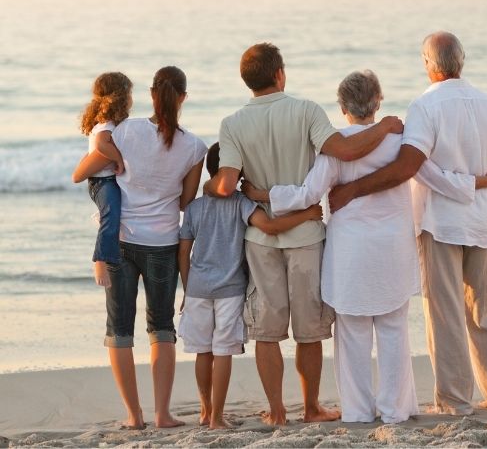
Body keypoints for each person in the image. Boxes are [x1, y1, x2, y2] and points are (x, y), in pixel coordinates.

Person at [244, 70, 487, 423]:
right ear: (378, 102)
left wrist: (262, 194)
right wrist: (479, 183)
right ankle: (395, 410)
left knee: (352, 337)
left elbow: (306, 195)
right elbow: (435, 179)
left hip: (350, 252)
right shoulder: (400, 141)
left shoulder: (334, 148)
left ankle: (359, 412)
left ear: (342, 106)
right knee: (394, 332)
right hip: (393, 247)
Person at [203, 43, 404, 425]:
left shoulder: (231, 124)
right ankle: (311, 408)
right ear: (280, 74)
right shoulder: (306, 110)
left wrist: (210, 189)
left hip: (261, 240)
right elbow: (342, 151)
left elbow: (227, 184)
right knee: (308, 329)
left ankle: (277, 411)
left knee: (267, 328)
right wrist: (386, 126)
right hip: (307, 235)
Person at [329, 32, 487, 415]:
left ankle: (455, 400)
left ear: (429, 65)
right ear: (460, 61)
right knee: (482, 310)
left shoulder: (425, 106)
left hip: (441, 222)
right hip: (481, 221)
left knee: (445, 311)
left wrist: (354, 190)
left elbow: (408, 166)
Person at [73, 66, 207, 429]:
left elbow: (91, 166)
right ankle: (163, 414)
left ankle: (134, 416)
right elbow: (186, 201)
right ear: (182, 98)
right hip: (162, 242)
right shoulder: (195, 147)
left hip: (121, 240)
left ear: (151, 94)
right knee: (161, 327)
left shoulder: (126, 130)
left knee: (119, 329)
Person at [178, 143, 326, 430]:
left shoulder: (194, 208)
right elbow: (270, 227)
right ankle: (218, 418)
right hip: (230, 290)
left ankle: (206, 411)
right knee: (222, 351)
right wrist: (306, 216)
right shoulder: (241, 204)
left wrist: (186, 286)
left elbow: (184, 252)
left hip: (197, 289)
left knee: (203, 352)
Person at [72, 72, 133, 288]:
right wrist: (119, 160)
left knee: (117, 215)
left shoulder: (110, 122)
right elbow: (100, 145)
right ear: (120, 97)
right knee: (112, 214)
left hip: (106, 180)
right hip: (102, 181)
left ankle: (127, 259)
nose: (132, 99)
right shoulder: (106, 124)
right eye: (130, 93)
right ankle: (100, 259)